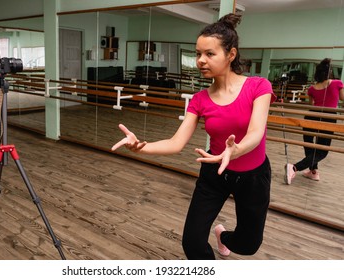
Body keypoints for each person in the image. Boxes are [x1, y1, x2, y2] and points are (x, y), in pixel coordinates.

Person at [111, 13, 276, 260]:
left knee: (248, 245)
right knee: (193, 242)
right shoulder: (200, 100)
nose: (200, 60)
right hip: (214, 172)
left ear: (230, 55)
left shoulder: (258, 86)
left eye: (210, 54)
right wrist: (140, 147)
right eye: (198, 54)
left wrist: (235, 150)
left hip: (253, 176)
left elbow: (255, 132)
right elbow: (176, 143)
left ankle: (223, 236)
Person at [284, 58, 344, 184]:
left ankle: (313, 171)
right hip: (329, 118)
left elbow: (312, 105)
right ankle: (294, 167)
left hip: (311, 117)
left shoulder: (312, 88)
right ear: (330, 72)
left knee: (310, 145)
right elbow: (343, 99)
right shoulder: (338, 83)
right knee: (322, 151)